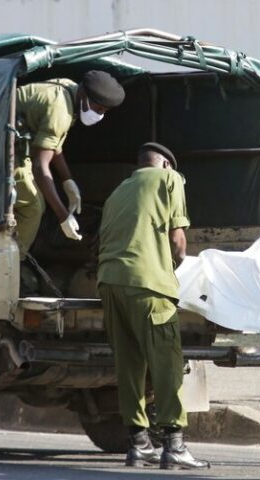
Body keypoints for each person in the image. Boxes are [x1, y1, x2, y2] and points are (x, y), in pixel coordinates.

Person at [97, 142, 209, 470]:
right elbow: (177, 240)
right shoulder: (169, 179)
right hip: (148, 285)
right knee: (166, 364)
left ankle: (138, 443)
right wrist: (176, 266)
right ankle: (174, 444)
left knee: (129, 365)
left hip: (110, 283)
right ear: (164, 164)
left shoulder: (117, 191)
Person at [14, 70, 125, 259]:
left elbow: (53, 144)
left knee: (35, 204)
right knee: (33, 207)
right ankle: (12, 264)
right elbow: (40, 167)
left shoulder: (69, 90)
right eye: (98, 109)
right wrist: (63, 216)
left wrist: (67, 180)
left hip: (11, 147)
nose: (100, 115)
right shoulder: (60, 109)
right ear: (84, 96)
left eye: (104, 112)